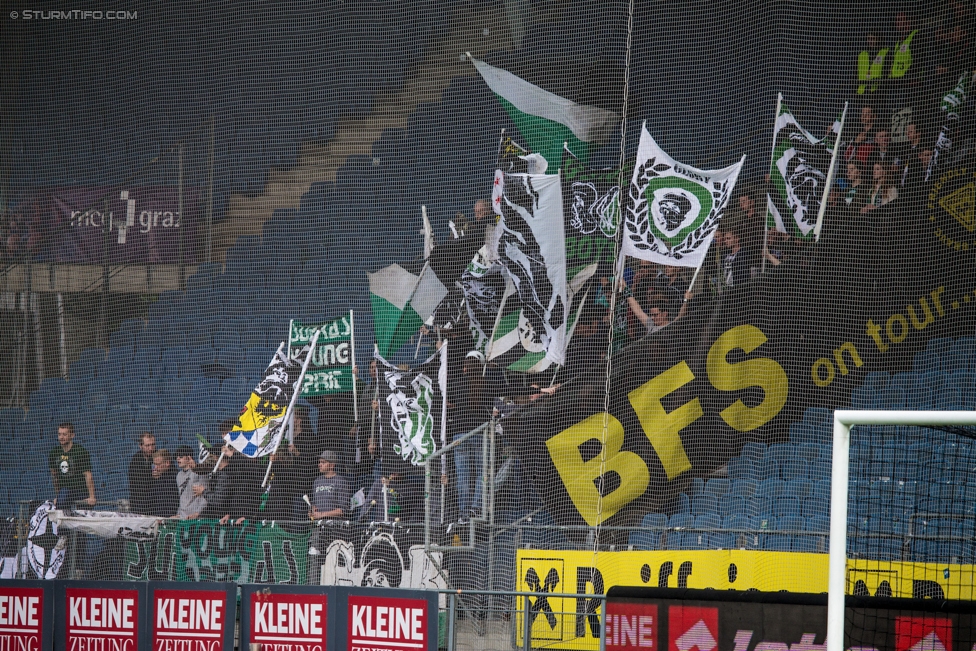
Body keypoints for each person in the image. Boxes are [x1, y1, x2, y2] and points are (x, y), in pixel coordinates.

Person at [48, 422, 95, 508]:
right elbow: (54, 477)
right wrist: (58, 496)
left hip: (80, 490)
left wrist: (92, 497)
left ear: (72, 435)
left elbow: (88, 475)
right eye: (59, 434)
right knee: (62, 501)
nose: (61, 437)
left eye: (64, 434)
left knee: (84, 512)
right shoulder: (54, 453)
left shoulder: (80, 451)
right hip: (65, 490)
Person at [174, 446, 207, 519]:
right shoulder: (179, 475)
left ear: (189, 457)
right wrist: (178, 514)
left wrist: (198, 513)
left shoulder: (199, 472)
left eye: (181, 456)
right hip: (182, 516)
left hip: (195, 516)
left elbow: (204, 497)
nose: (178, 458)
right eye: (177, 456)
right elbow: (182, 497)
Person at [127, 432, 156, 514]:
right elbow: (134, 484)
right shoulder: (135, 460)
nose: (150, 448)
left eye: (153, 445)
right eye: (147, 445)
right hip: (138, 505)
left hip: (155, 505)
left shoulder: (159, 458)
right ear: (141, 446)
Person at [147, 449, 179, 518]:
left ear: (167, 463)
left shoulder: (176, 478)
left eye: (158, 464)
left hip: (171, 519)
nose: (155, 467)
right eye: (154, 464)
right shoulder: (155, 478)